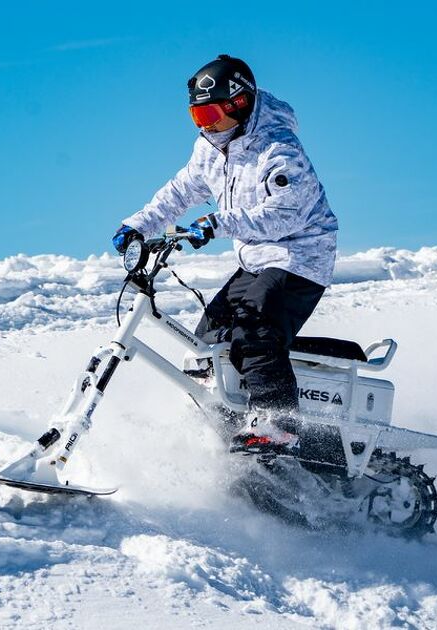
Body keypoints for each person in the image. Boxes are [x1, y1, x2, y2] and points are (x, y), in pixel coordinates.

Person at [112, 54, 338, 455]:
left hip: (299, 257)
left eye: (211, 114)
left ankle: (276, 422)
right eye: (196, 117)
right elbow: (180, 191)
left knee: (255, 330)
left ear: (238, 103)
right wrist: (138, 225)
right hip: (255, 257)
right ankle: (224, 423)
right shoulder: (212, 147)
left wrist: (220, 223)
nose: (205, 125)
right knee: (208, 343)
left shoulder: (279, 150)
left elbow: (287, 214)